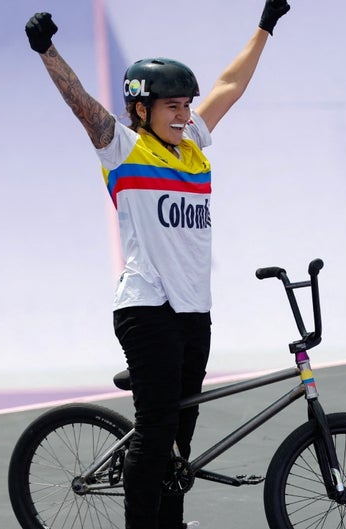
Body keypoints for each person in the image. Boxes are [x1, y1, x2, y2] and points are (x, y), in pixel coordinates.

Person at [25, 2, 291, 528]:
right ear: (142, 110)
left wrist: (265, 26)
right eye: (172, 106)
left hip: (195, 311)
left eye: (186, 105)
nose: (184, 115)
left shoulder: (192, 144)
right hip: (147, 308)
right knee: (156, 429)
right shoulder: (122, 147)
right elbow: (80, 103)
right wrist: (47, 51)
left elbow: (230, 86)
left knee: (181, 437)